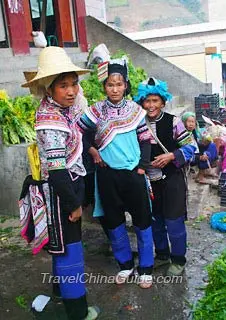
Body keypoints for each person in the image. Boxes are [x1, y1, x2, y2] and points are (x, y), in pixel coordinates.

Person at [21, 46, 99, 320]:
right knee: (70, 251)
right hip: (61, 192)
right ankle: (78, 311)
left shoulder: (64, 110)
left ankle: (58, 292)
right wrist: (74, 204)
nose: (71, 91)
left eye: (74, 84)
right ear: (49, 90)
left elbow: (83, 112)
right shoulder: (50, 121)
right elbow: (56, 170)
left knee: (61, 245)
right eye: (63, 86)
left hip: (68, 185)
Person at [77, 58, 154, 289]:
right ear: (104, 86)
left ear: (126, 85)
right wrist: (92, 151)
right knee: (114, 221)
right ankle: (125, 265)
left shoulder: (136, 111)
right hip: (107, 175)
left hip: (133, 174)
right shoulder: (96, 111)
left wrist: (142, 167)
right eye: (110, 84)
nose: (115, 89)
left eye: (119, 84)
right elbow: (80, 134)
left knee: (142, 221)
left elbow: (146, 140)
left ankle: (146, 268)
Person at [133, 77, 196, 276]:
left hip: (172, 180)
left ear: (162, 101)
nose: (151, 105)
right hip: (149, 183)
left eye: (155, 101)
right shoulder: (137, 123)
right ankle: (162, 254)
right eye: (147, 101)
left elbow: (191, 147)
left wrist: (172, 156)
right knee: (155, 221)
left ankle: (178, 259)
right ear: (141, 102)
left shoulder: (174, 122)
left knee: (174, 222)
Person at [182, 112, 218, 183]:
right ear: (184, 122)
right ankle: (200, 177)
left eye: (193, 122)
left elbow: (196, 144)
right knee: (206, 154)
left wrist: (204, 142)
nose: (191, 124)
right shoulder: (183, 134)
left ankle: (207, 170)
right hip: (188, 156)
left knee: (211, 145)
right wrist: (200, 156)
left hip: (194, 152)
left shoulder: (194, 132)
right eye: (189, 121)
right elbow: (186, 150)